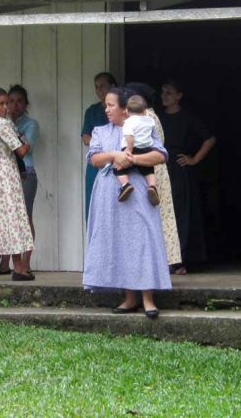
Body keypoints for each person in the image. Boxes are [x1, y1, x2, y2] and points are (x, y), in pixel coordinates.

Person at [83, 87, 171, 318]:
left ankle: (148, 298)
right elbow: (94, 158)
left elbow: (161, 155)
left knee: (142, 238)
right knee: (121, 242)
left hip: (139, 192)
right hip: (109, 195)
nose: (107, 109)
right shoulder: (100, 131)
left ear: (124, 108)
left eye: (111, 105)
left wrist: (132, 158)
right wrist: (114, 156)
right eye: (107, 105)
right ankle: (129, 298)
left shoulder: (142, 127)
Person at [159, 79, 216, 273]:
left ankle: (180, 260)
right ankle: (164, 259)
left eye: (168, 92)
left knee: (180, 214)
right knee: (162, 212)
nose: (164, 96)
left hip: (179, 168)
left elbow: (209, 139)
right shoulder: (158, 118)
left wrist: (194, 159)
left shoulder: (187, 117)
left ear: (179, 96)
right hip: (160, 167)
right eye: (163, 92)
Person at [124, 82, 183, 269]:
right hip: (156, 168)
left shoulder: (143, 116)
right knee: (162, 214)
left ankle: (154, 262)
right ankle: (163, 262)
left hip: (148, 167)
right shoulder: (152, 116)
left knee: (154, 213)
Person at [0, 87, 35, 280]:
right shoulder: (2, 125)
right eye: (1, 103)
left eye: (7, 103)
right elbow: (21, 151)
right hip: (7, 173)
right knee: (15, 217)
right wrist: (24, 140)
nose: (6, 107)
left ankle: (4, 264)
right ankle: (18, 267)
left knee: (2, 218)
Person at [9, 84, 39, 266]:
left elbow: (25, 150)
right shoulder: (2, 123)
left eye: (19, 101)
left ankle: (26, 262)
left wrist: (11, 127)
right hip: (7, 174)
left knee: (26, 217)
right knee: (9, 218)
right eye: (11, 101)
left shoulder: (31, 124)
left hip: (26, 173)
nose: (15, 105)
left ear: (26, 104)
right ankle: (7, 264)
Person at [82, 72, 117, 216]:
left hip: (116, 163)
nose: (99, 90)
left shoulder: (121, 110)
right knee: (94, 206)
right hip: (96, 165)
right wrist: (106, 147)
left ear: (113, 87)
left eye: (103, 86)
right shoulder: (92, 111)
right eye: (97, 87)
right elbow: (85, 138)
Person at [117, 93, 158, 205]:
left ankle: (126, 185)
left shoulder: (129, 122)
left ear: (126, 111)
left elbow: (130, 137)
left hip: (132, 149)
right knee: (149, 171)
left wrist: (129, 150)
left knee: (119, 168)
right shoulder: (150, 121)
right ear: (145, 111)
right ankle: (152, 187)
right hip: (146, 150)